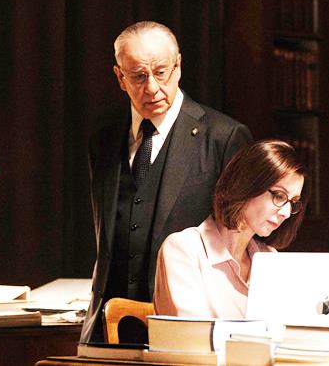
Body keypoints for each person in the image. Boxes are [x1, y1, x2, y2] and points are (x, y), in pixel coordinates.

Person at [80, 21, 253, 343]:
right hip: (107, 326)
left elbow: (239, 241)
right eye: (138, 76)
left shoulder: (224, 137)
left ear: (178, 66)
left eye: (161, 72)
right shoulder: (103, 137)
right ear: (119, 77)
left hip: (184, 323)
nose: (152, 88)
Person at [154, 140, 306, 318]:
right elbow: (193, 333)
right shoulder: (183, 249)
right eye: (279, 196)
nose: (286, 213)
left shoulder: (269, 257)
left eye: (293, 202)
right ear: (247, 185)